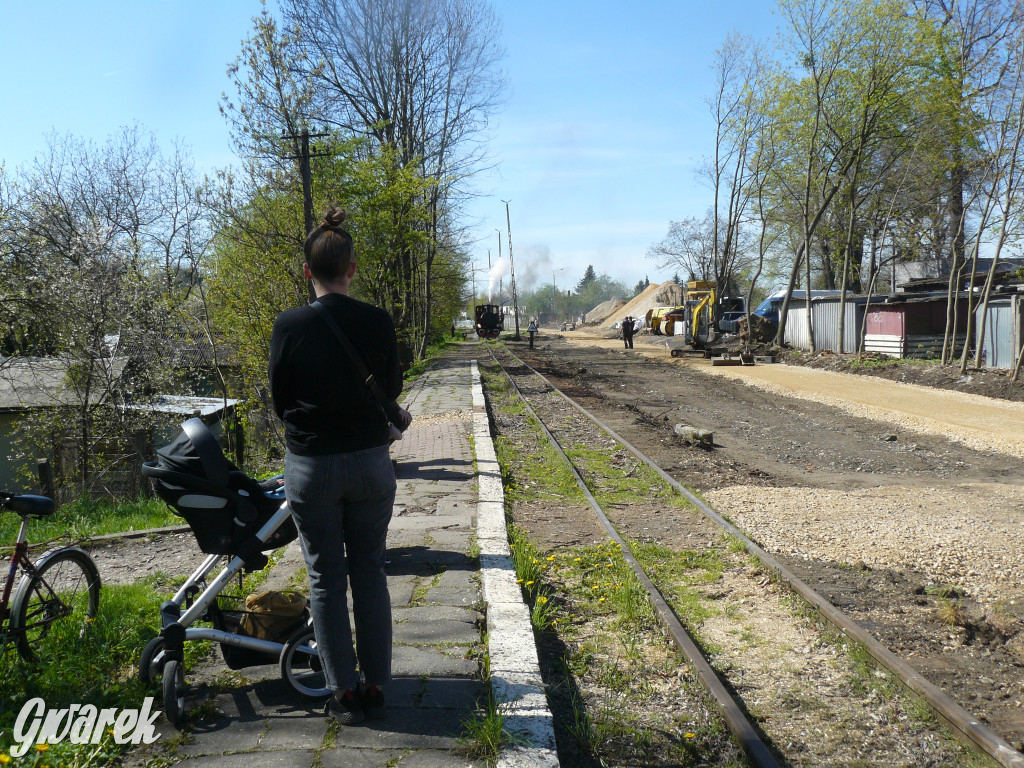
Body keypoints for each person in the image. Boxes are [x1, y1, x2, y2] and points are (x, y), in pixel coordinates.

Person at [268, 207, 412, 726]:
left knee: (326, 578)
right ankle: (376, 684)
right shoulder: (376, 321)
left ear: (309, 271)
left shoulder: (289, 325)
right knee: (369, 570)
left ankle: (343, 692)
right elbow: (391, 390)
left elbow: (280, 400)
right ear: (352, 269)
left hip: (312, 467)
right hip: (371, 464)